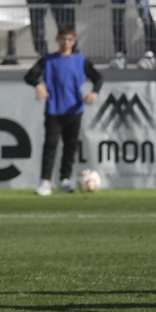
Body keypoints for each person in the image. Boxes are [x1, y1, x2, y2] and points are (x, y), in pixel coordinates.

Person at [25, 26, 102, 196]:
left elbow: (98, 77)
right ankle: (45, 181)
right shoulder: (48, 60)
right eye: (63, 39)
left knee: (70, 147)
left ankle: (64, 180)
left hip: (74, 110)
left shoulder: (81, 60)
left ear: (74, 41)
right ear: (57, 40)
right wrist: (38, 85)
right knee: (50, 145)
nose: (66, 43)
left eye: (69, 39)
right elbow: (30, 76)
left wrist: (94, 92)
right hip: (54, 109)